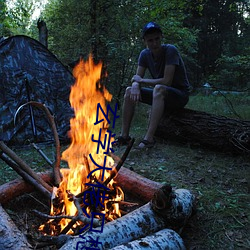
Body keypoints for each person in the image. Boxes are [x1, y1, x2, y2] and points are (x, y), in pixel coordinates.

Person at [115, 21, 191, 149]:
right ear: (145, 41)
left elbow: (167, 81)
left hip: (179, 95)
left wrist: (140, 81)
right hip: (160, 95)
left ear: (161, 37)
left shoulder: (170, 50)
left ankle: (149, 138)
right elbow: (136, 78)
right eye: (150, 40)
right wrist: (134, 85)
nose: (154, 43)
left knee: (159, 88)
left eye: (157, 39)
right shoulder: (144, 54)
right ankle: (124, 136)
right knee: (128, 91)